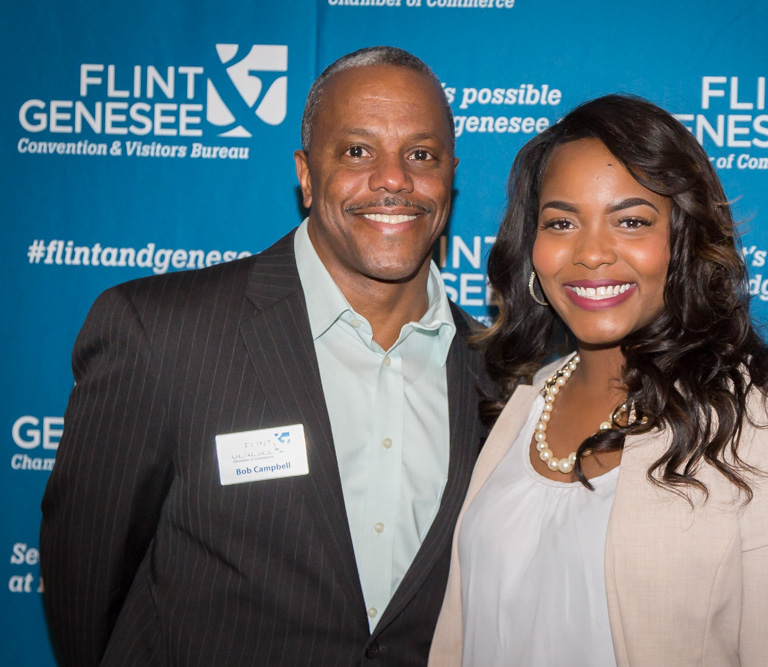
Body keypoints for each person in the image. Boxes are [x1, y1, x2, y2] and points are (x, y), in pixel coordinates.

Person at [40, 46, 490, 667]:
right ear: (306, 174)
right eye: (357, 152)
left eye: (421, 155)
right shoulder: (160, 334)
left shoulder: (499, 374)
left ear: (450, 176)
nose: (393, 179)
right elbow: (85, 589)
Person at [428, 95, 768, 666]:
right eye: (561, 223)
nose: (591, 253)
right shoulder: (523, 404)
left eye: (631, 221)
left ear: (684, 239)